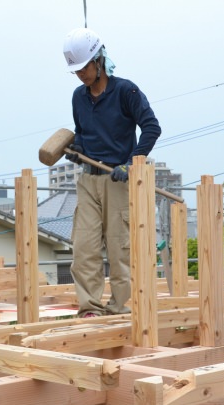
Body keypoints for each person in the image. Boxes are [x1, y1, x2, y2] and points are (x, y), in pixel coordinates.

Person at [62, 28, 161, 317]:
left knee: (120, 248)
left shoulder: (126, 91)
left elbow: (152, 127)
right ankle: (90, 307)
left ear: (99, 59)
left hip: (118, 178)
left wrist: (133, 162)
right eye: (75, 71)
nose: (80, 75)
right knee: (84, 246)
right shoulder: (78, 98)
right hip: (88, 178)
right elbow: (83, 133)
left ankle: (120, 307)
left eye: (84, 68)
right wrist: (74, 147)